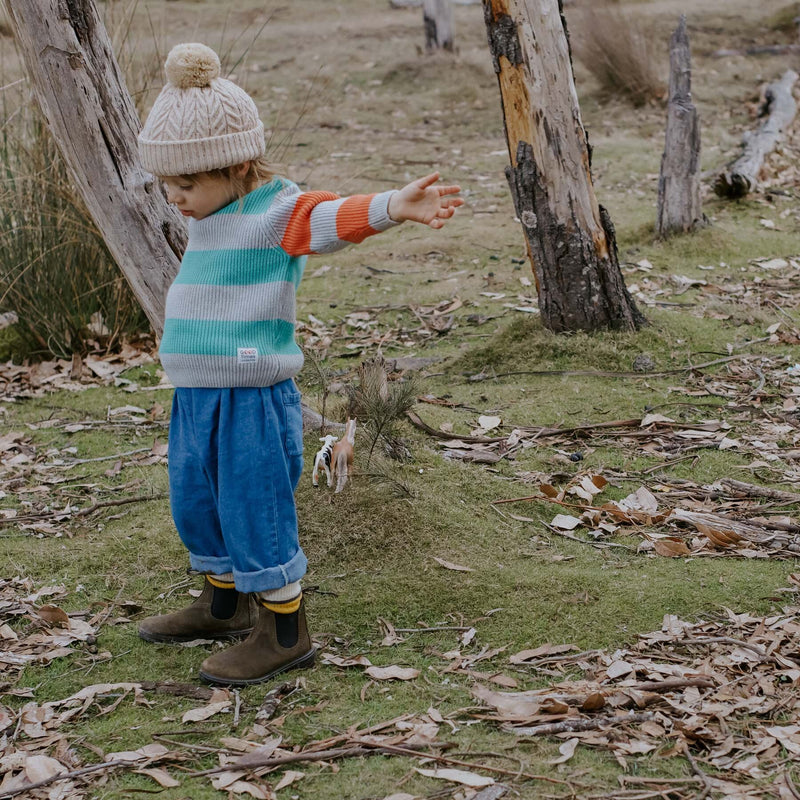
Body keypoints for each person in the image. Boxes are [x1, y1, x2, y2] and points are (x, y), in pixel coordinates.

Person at [135, 42, 463, 685]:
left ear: (236, 166)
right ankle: (223, 603)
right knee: (196, 500)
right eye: (168, 185)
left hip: (251, 393)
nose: (174, 198)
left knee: (253, 502)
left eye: (187, 184)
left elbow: (329, 217)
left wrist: (393, 205)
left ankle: (284, 629)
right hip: (196, 393)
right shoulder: (210, 212)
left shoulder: (273, 210)